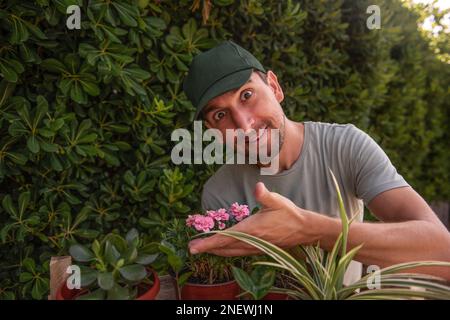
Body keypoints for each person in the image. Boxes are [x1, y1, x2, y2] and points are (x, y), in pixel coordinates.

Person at [182, 40, 450, 283]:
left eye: (247, 95)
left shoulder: (345, 145)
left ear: (274, 87)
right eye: (220, 115)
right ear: (213, 130)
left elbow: (442, 253)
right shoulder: (219, 194)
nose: (244, 124)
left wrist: (308, 229)